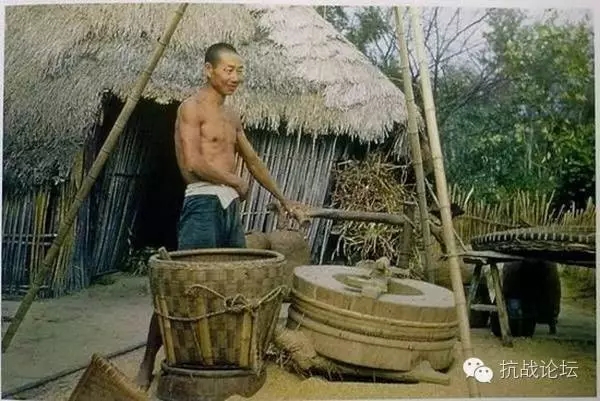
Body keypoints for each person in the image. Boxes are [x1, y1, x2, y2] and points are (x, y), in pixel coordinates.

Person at [135, 42, 303, 390]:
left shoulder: (232, 116)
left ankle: (221, 362)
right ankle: (148, 360)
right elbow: (193, 163)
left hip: (229, 208)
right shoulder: (191, 108)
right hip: (202, 203)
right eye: (228, 70)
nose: (235, 77)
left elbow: (253, 160)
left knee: (237, 285)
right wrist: (234, 181)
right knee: (181, 286)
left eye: (240, 70)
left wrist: (284, 199)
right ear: (208, 70)